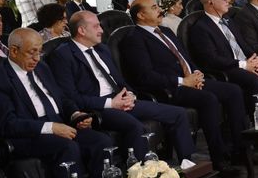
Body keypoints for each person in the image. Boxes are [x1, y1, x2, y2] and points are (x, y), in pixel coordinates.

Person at [120, 0, 248, 177]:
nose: (160, 10)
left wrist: (196, 73)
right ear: (141, 15)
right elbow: (146, 76)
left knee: (233, 91)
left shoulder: (165, 31)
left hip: (190, 80)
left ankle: (239, 149)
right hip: (169, 88)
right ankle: (218, 159)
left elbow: (185, 58)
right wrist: (183, 81)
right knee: (208, 99)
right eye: (154, 7)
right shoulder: (134, 39)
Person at [0, 28, 111, 178]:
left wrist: (75, 114)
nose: (37, 58)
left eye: (40, 51)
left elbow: (62, 99)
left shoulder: (42, 68)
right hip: (28, 135)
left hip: (58, 124)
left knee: (101, 141)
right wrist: (51, 128)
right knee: (67, 147)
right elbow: (8, 124)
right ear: (13, 51)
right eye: (31, 52)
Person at [48, 11, 195, 162]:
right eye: (96, 26)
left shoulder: (102, 49)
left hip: (121, 99)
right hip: (98, 108)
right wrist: (111, 103)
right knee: (136, 127)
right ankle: (140, 172)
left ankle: (187, 164)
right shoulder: (63, 55)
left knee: (178, 113)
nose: (101, 30)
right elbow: (71, 96)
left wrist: (130, 94)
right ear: (82, 30)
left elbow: (120, 80)